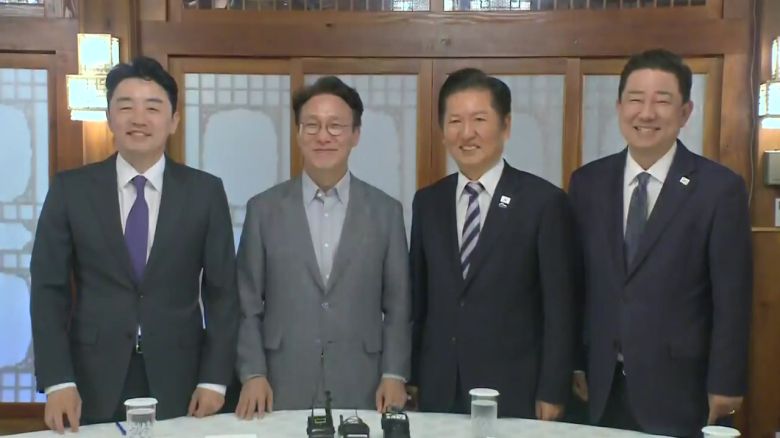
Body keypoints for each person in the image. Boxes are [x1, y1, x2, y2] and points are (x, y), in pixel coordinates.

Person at [30, 56, 239, 433]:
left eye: (153, 107)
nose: (138, 118)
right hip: (92, 376)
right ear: (109, 117)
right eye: (125, 106)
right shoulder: (71, 190)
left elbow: (223, 293)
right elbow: (48, 290)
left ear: (174, 120)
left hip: (182, 375)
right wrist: (58, 381)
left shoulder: (205, 192)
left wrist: (214, 380)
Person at [568, 48, 752, 436]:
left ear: (685, 112)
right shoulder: (587, 183)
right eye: (635, 99)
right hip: (600, 385)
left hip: (680, 387)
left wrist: (726, 381)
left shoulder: (719, 189)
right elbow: (576, 285)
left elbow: (732, 297)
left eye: (662, 101)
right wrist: (575, 362)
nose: (647, 113)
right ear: (620, 107)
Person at [234, 76, 411, 418]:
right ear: (299, 133)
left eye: (336, 126)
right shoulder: (263, 210)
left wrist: (394, 373)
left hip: (363, 379)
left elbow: (399, 305)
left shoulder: (386, 212)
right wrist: (253, 372)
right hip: (280, 378)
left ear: (355, 135)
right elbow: (247, 303)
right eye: (312, 125)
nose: (323, 136)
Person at [410, 68, 577, 419]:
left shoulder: (543, 202)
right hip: (440, 386)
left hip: (514, 388)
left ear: (506, 126)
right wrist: (411, 376)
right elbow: (419, 299)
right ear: (443, 130)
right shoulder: (428, 202)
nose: (466, 133)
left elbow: (560, 308)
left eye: (479, 119)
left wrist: (553, 389)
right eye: (455, 121)